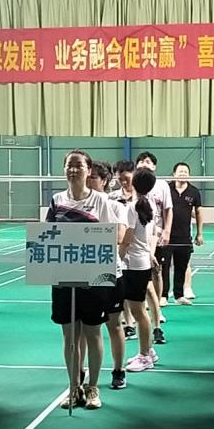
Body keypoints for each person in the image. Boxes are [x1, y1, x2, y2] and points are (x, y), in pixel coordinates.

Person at [47, 150, 118, 410]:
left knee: (93, 333)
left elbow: (111, 237)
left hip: (93, 278)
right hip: (63, 278)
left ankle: (93, 387)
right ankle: (74, 386)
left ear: (88, 171)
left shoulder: (101, 200)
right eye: (69, 165)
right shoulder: (57, 200)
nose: (73, 169)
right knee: (70, 337)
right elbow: (48, 236)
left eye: (79, 165)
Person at [87, 160, 129, 390]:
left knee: (114, 325)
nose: (88, 181)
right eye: (87, 176)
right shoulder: (78, 206)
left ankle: (118, 370)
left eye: (93, 177)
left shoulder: (116, 207)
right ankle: (82, 373)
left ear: (104, 181)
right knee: (85, 330)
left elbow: (118, 237)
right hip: (85, 275)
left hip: (110, 273)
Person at [121, 169, 162, 379]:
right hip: (143, 262)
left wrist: (117, 258)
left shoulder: (132, 208)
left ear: (133, 184)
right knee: (140, 310)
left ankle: (144, 355)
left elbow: (127, 239)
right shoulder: (149, 205)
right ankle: (149, 350)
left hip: (133, 264)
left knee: (138, 312)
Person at [135, 152, 173, 323]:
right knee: (137, 273)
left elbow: (168, 209)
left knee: (156, 271)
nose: (144, 163)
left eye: (148, 161)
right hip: (137, 235)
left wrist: (166, 231)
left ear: (154, 166)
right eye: (141, 161)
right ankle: (137, 309)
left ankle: (157, 310)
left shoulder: (162, 185)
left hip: (155, 235)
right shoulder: (133, 183)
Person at [164, 162, 203, 306]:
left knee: (181, 267)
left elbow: (198, 212)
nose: (183, 174)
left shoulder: (194, 192)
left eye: (185, 171)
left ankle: (179, 295)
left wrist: (199, 233)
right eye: (180, 171)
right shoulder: (166, 189)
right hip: (167, 236)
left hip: (184, 236)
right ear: (174, 174)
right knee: (164, 267)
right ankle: (163, 296)